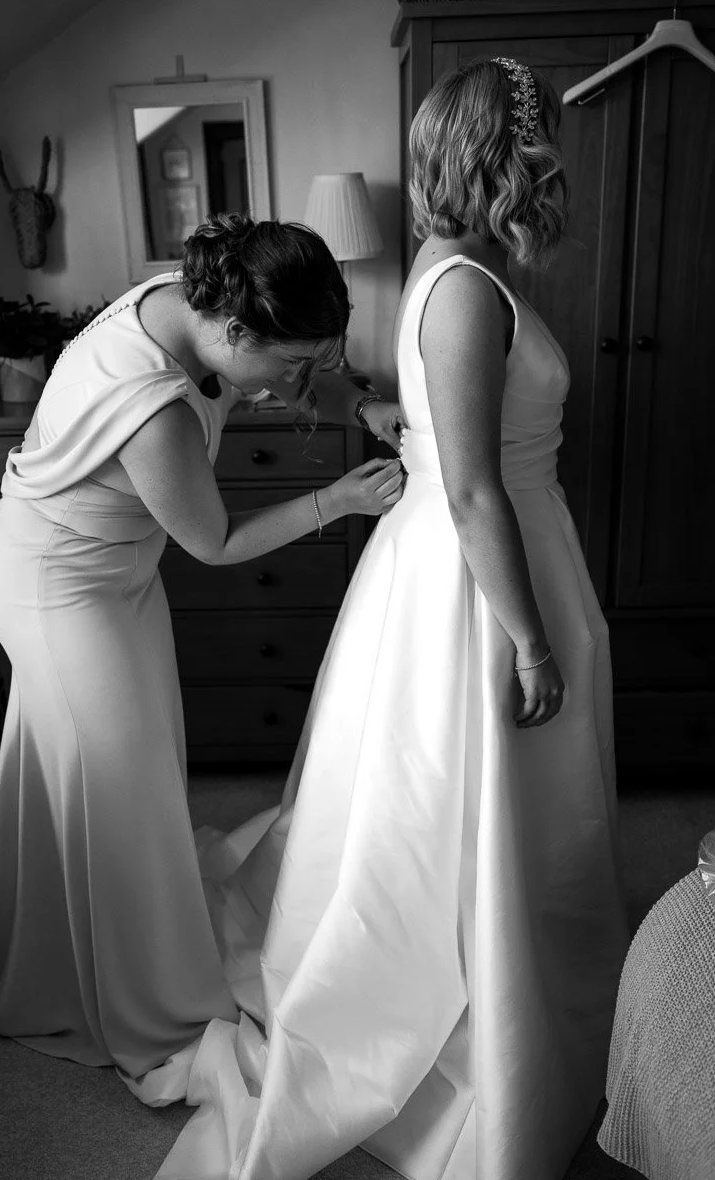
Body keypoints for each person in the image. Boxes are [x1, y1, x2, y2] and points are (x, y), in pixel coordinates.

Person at [147, 59, 632, 1180]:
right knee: (466, 789)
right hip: (476, 573)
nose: (555, 158)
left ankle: (515, 952)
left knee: (450, 797)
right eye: (542, 140)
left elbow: (434, 426)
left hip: (462, 555)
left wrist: (379, 407)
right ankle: (484, 997)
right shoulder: (462, 286)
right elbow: (471, 489)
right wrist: (530, 639)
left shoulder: (445, 265)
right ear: (503, 155)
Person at [0, 214, 406, 1077]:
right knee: (119, 791)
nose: (288, 384)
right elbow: (215, 544)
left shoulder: (184, 302)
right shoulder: (158, 409)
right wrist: (338, 502)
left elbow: (289, 373)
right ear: (236, 330)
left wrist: (358, 401)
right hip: (56, 589)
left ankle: (55, 950)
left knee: (112, 778)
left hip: (114, 576)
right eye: (287, 364)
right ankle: (144, 1000)